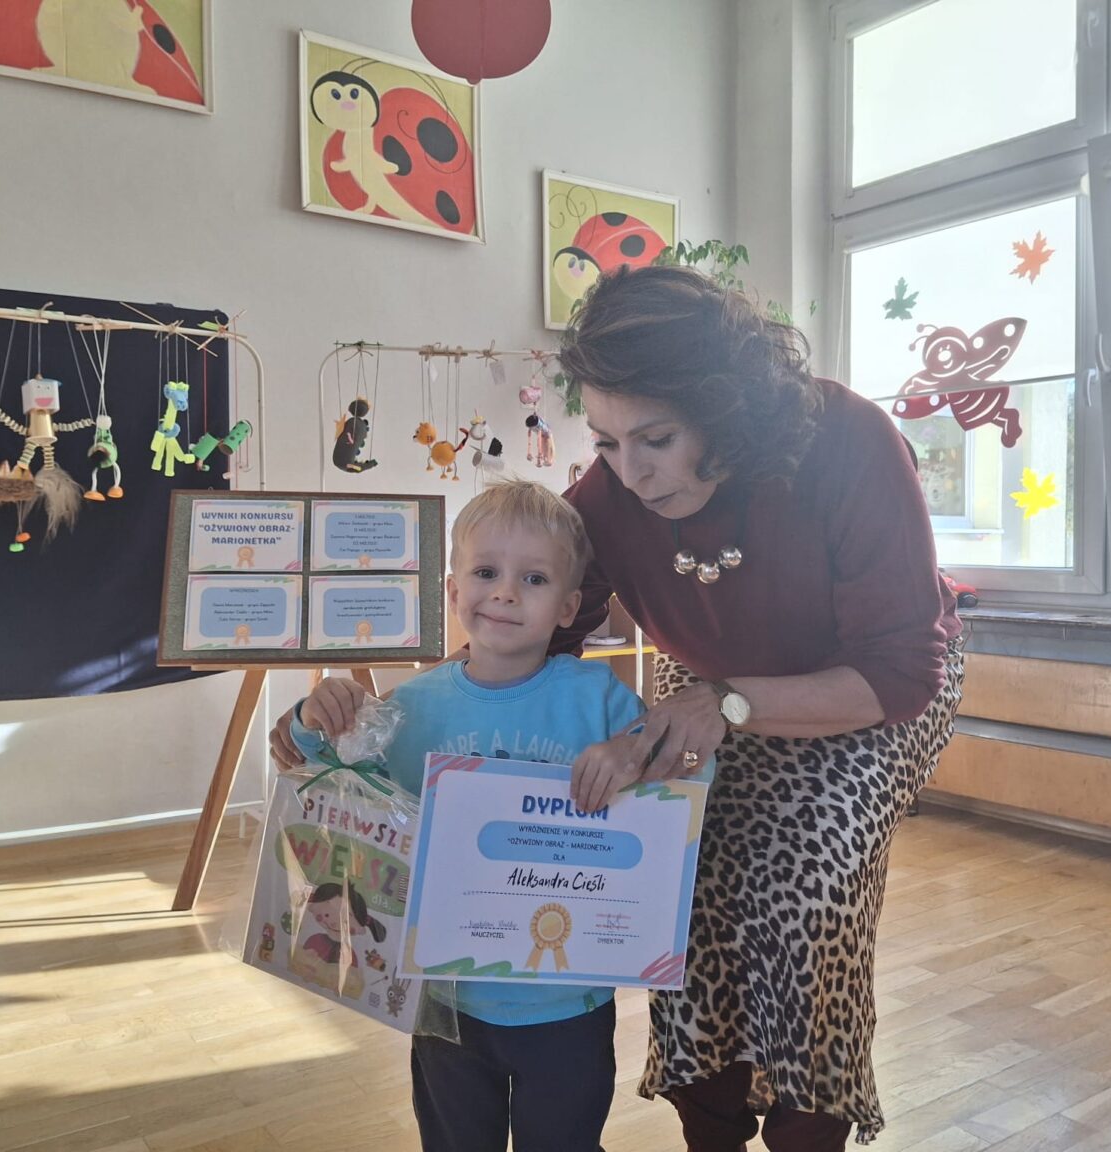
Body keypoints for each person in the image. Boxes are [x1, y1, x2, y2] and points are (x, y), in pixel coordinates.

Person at [553, 264, 965, 1150]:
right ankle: (710, 1122)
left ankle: (807, 1127)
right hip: (709, 683)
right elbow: (528, 629)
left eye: (657, 439)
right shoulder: (608, 493)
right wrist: (374, 720)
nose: (631, 473)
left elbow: (903, 671)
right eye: (606, 442)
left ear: (728, 408)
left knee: (811, 893)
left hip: (870, 686)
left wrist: (726, 704)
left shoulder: (850, 440)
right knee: (682, 880)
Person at [278, 480, 663, 1152]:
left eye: (533, 578)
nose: (505, 593)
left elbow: (683, 787)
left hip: (568, 1000)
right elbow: (327, 778)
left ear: (569, 605)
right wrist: (315, 715)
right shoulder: (410, 708)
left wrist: (634, 754)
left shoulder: (600, 701)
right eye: (486, 573)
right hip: (445, 999)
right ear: (454, 590)